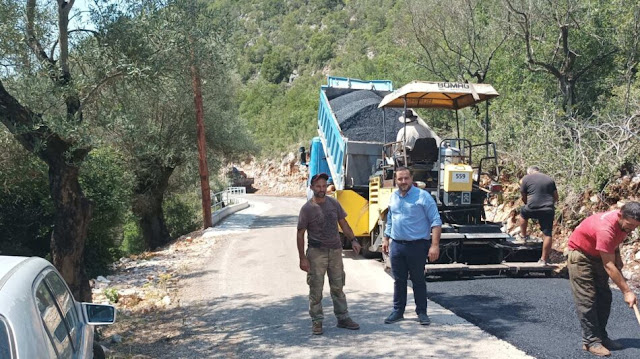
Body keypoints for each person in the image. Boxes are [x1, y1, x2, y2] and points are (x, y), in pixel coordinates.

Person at [567, 201, 640, 357]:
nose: (632, 229)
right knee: (587, 299)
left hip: (598, 254)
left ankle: (601, 336)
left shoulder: (623, 224)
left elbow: (615, 240)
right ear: (621, 216)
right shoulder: (605, 228)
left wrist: (618, 256)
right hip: (580, 256)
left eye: (635, 227)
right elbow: (608, 265)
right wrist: (627, 291)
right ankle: (591, 341)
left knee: (604, 297)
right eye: (630, 225)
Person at [297, 172, 362, 335]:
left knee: (338, 286)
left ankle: (343, 318)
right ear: (312, 187)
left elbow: (343, 223)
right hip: (316, 253)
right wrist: (302, 258)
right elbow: (300, 234)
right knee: (316, 288)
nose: (321, 189)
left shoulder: (334, 204)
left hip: (335, 251)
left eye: (324, 186)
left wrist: (353, 239)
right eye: (318, 186)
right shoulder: (306, 209)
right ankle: (317, 321)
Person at [381, 167, 442, 325]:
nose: (403, 182)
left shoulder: (423, 197)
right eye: (400, 179)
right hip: (397, 246)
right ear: (396, 180)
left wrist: (434, 246)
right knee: (399, 280)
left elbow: (436, 222)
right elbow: (391, 219)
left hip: (417, 246)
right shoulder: (393, 197)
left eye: (406, 178)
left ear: (411, 178)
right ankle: (398, 311)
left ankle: (422, 312)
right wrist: (386, 239)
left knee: (418, 280)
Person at [517, 166, 558, 264]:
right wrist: (549, 206)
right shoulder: (549, 179)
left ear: (529, 172)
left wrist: (528, 204)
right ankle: (543, 259)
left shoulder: (526, 178)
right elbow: (556, 197)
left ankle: (523, 236)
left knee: (523, 212)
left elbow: (523, 196)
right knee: (547, 234)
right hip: (548, 209)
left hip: (532, 207)